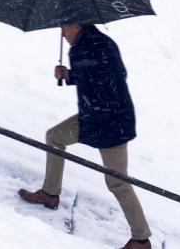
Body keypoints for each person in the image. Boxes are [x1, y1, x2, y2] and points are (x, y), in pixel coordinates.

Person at [17, 24, 152, 249]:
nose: (62, 33)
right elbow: (90, 76)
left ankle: (141, 239)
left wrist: (82, 74)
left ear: (76, 24)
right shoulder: (81, 47)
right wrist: (69, 75)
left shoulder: (102, 46)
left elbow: (115, 77)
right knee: (55, 137)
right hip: (92, 119)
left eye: (64, 28)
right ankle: (50, 194)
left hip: (112, 123)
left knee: (117, 182)